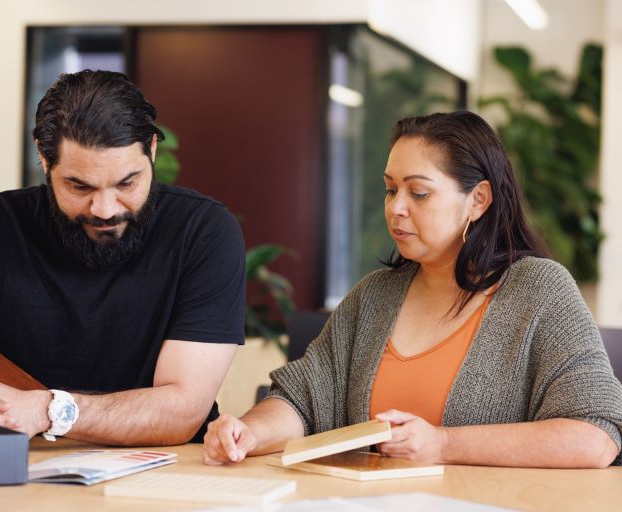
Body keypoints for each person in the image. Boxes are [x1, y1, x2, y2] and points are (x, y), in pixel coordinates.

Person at [203, 111, 622, 468]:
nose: (396, 208)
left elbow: (596, 436)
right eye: (390, 189)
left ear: (478, 200)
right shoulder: (374, 297)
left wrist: (443, 444)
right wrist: (249, 433)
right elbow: (302, 400)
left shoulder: (540, 291)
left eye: (418, 193)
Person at [0, 70, 246, 445]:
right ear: (44, 160)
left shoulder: (202, 231)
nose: (104, 209)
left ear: (151, 150)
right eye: (79, 186)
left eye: (126, 183)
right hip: (21, 468)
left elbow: (182, 411)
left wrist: (48, 410)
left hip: (166, 473)